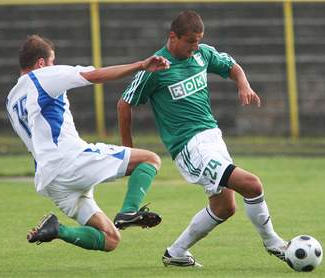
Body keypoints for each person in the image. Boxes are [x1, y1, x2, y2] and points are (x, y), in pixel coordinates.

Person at [117, 11, 287, 267]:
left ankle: (175, 253)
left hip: (213, 138)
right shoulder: (156, 67)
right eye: (190, 41)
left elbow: (232, 67)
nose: (194, 46)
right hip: (189, 147)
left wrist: (244, 84)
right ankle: (273, 243)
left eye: (198, 41)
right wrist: (128, 151)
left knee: (225, 207)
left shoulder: (202, 54)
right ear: (172, 37)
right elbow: (123, 104)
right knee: (252, 184)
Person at [6, 34, 170, 252]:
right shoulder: (44, 76)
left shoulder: (12, 100)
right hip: (70, 161)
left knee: (111, 239)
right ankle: (129, 211)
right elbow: (93, 75)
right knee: (150, 159)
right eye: (52, 61)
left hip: (51, 181)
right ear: (41, 63)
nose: (53, 65)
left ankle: (58, 230)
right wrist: (141, 65)